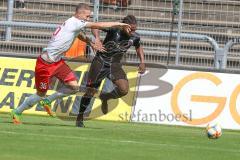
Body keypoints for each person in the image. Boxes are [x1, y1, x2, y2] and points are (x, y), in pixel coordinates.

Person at [11, 3, 131, 124]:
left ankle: (48, 101)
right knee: (40, 94)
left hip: (57, 62)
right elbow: (98, 25)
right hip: (45, 64)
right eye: (87, 16)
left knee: (73, 87)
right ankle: (17, 111)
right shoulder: (75, 22)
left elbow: (79, 35)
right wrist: (120, 24)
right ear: (80, 13)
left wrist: (91, 42)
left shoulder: (72, 23)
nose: (88, 19)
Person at [76, 15, 146, 127]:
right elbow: (95, 26)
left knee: (124, 90)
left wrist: (142, 61)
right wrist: (97, 39)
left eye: (135, 29)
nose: (133, 32)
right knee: (91, 91)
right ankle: (80, 117)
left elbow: (138, 47)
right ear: (124, 26)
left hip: (115, 65)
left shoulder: (135, 37)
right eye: (131, 29)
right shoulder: (114, 28)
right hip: (100, 62)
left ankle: (105, 97)